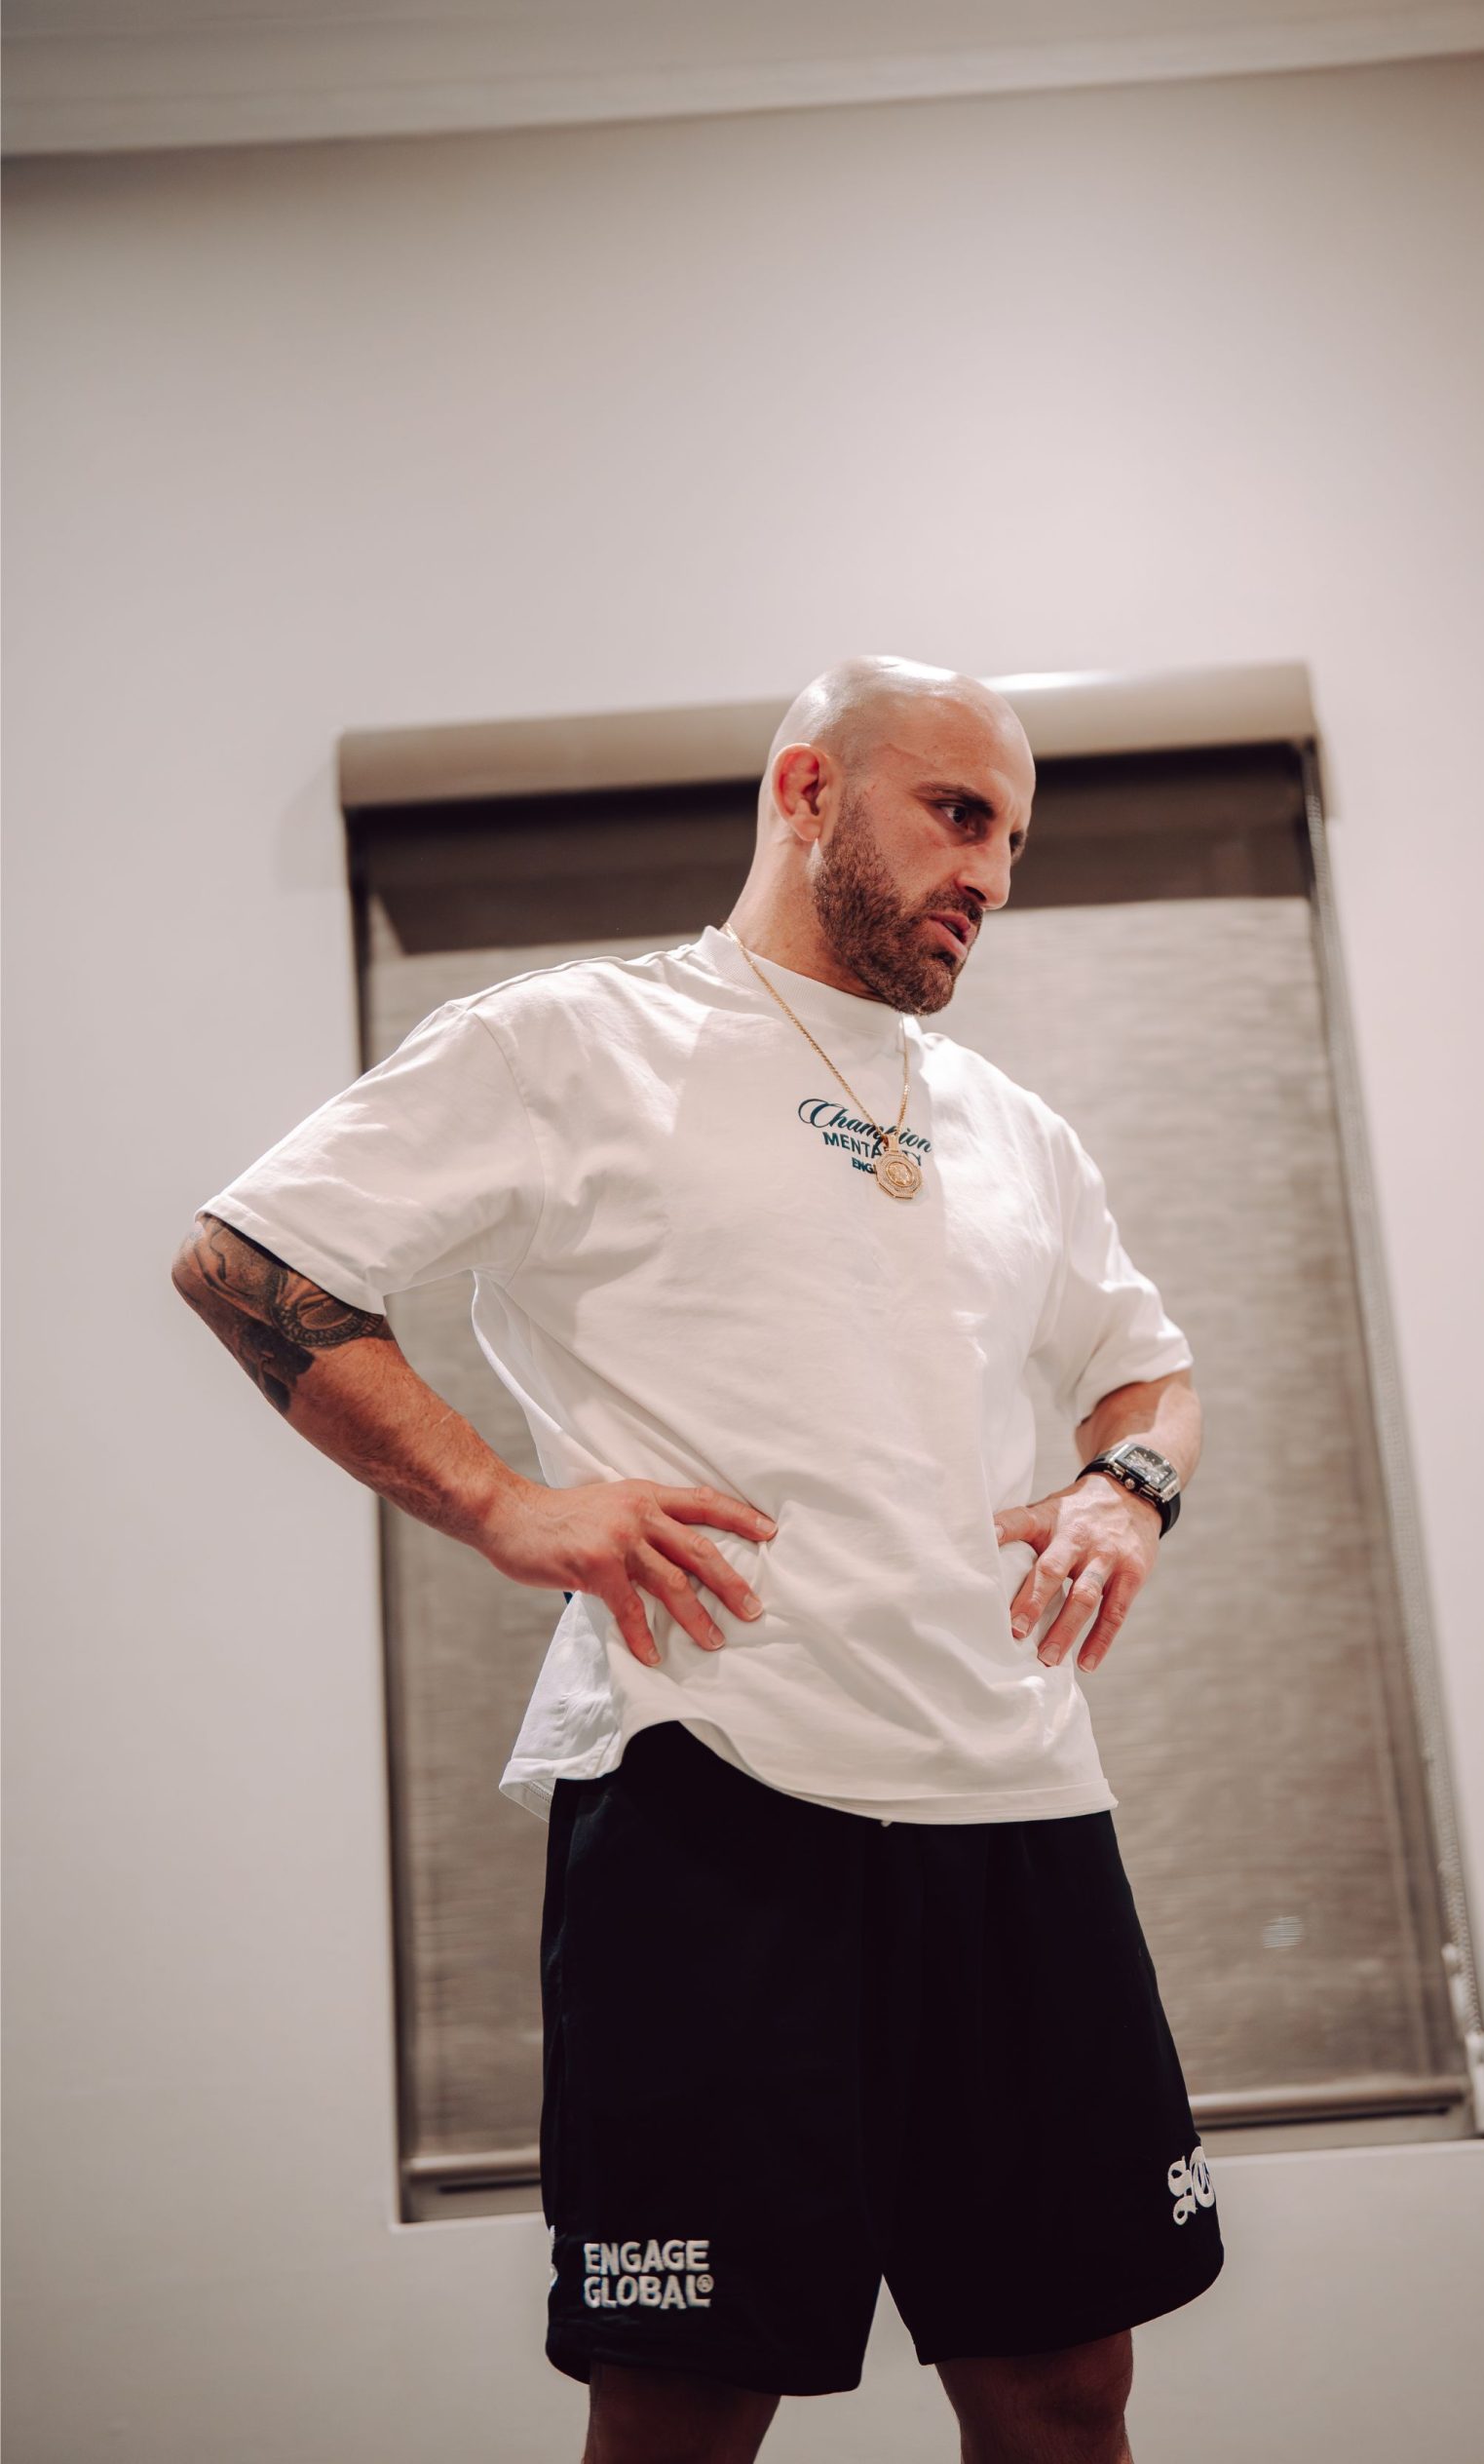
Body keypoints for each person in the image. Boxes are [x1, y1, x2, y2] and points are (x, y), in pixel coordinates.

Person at [173, 654, 1223, 2462]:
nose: (989, 873)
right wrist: (502, 1506)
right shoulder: (574, 1044)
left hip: (1018, 1806)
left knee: (1066, 2395)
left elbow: (1153, 1373)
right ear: (807, 791)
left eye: (1014, 842)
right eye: (956, 814)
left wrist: (1124, 1488)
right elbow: (250, 1264)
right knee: (685, 2410)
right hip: (718, 1803)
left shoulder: (1011, 1129)